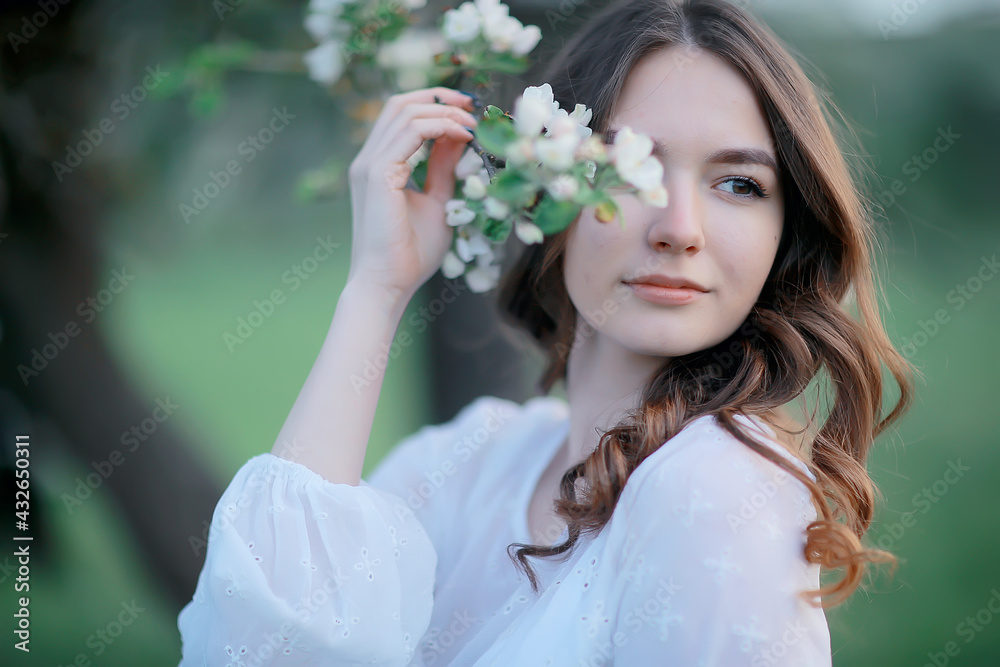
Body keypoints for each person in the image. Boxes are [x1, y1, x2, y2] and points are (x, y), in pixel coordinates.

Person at [176, 0, 915, 664]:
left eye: (738, 184)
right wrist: (378, 287)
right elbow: (262, 648)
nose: (680, 229)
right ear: (539, 189)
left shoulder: (718, 493)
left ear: (784, 232)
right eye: (628, 170)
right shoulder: (473, 460)